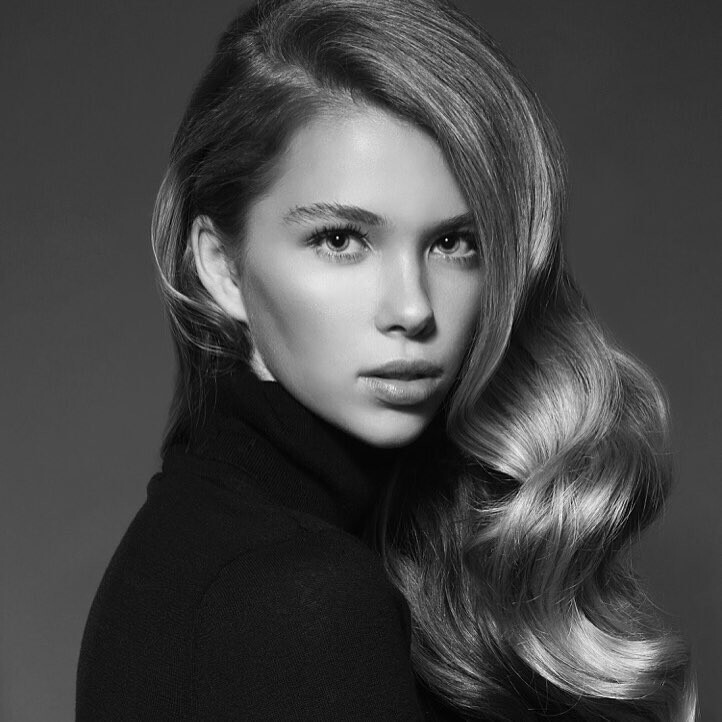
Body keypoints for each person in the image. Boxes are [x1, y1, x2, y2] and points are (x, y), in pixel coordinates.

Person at [76, 0, 696, 719]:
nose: (412, 308)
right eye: (341, 239)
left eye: (454, 243)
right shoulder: (298, 597)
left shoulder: (199, 542)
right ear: (221, 267)